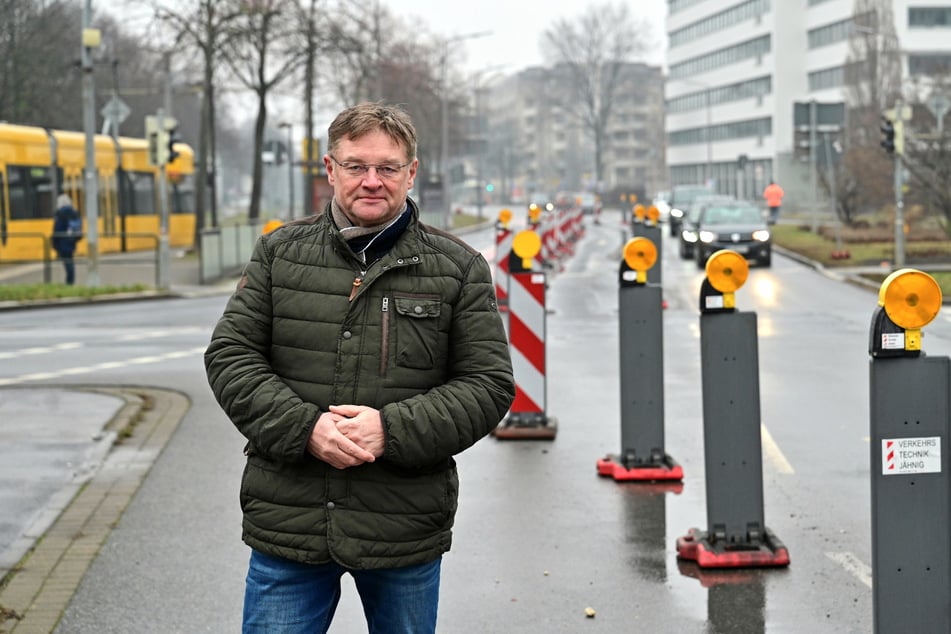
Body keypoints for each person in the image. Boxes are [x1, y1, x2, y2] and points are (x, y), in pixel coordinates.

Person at [204, 102, 515, 634]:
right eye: (355, 166)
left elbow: (487, 385)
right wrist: (306, 429)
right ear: (330, 170)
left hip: (403, 524)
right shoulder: (279, 254)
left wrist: (388, 430)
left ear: (411, 172)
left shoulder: (458, 268)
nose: (371, 181)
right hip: (291, 521)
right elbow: (230, 357)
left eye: (388, 167)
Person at [51, 193, 81, 285]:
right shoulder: (74, 212)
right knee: (70, 261)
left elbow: (57, 229)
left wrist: (54, 244)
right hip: (71, 241)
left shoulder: (60, 214)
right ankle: (70, 281)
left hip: (63, 242)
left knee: (67, 263)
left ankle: (69, 282)